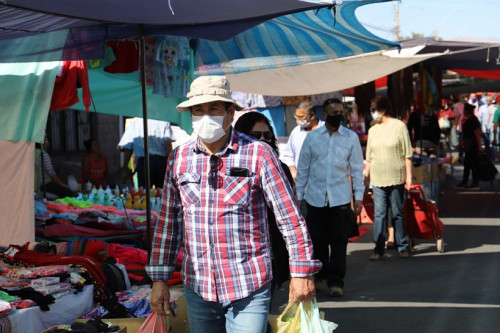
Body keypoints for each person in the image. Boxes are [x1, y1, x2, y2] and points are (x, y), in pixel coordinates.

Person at [146, 75, 321, 333]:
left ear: (230, 113)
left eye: (213, 108)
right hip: (199, 286)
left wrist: (301, 272)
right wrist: (159, 280)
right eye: (198, 109)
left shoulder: (259, 154)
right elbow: (168, 225)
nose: (205, 116)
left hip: (248, 284)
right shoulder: (179, 159)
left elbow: (289, 217)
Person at [295, 98, 364, 297]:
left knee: (339, 241)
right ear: (324, 115)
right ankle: (321, 277)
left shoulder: (350, 138)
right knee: (318, 241)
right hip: (315, 198)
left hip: (340, 199)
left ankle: (336, 281)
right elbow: (303, 169)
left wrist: (358, 196)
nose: (338, 115)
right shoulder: (313, 138)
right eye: (333, 112)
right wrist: (299, 197)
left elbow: (357, 170)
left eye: (340, 111)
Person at [364, 95, 413, 261]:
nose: (373, 113)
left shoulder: (399, 127)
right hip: (377, 178)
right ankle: (378, 248)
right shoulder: (372, 130)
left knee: (397, 212)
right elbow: (369, 157)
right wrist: (366, 177)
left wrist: (409, 178)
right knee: (379, 213)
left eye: (374, 109)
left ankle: (403, 246)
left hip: (396, 177)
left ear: (383, 110)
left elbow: (407, 154)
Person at [118, 117, 174, 188]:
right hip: (161, 163)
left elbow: (128, 148)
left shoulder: (135, 122)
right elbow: (168, 144)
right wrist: (172, 165)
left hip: (144, 164)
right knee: (163, 193)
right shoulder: (163, 120)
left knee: (145, 194)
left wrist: (124, 169)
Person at [281, 101, 324, 180]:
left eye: (301, 117)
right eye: (296, 116)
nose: (297, 120)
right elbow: (287, 155)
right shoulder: (296, 132)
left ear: (312, 116)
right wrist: (293, 170)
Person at [455, 103, 482, 190]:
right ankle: (465, 181)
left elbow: (477, 134)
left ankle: (475, 183)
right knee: (467, 164)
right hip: (468, 145)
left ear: (467, 111)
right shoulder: (467, 120)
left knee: (473, 164)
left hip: (472, 145)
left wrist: (479, 146)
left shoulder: (473, 120)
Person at [478, 95, 495, 160]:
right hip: (484, 128)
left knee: (492, 142)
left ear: (491, 101)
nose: (488, 101)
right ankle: (488, 155)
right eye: (487, 100)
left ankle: (493, 155)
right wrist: (479, 128)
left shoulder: (494, 107)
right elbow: (479, 118)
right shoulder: (482, 108)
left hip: (492, 127)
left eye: (489, 100)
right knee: (486, 142)